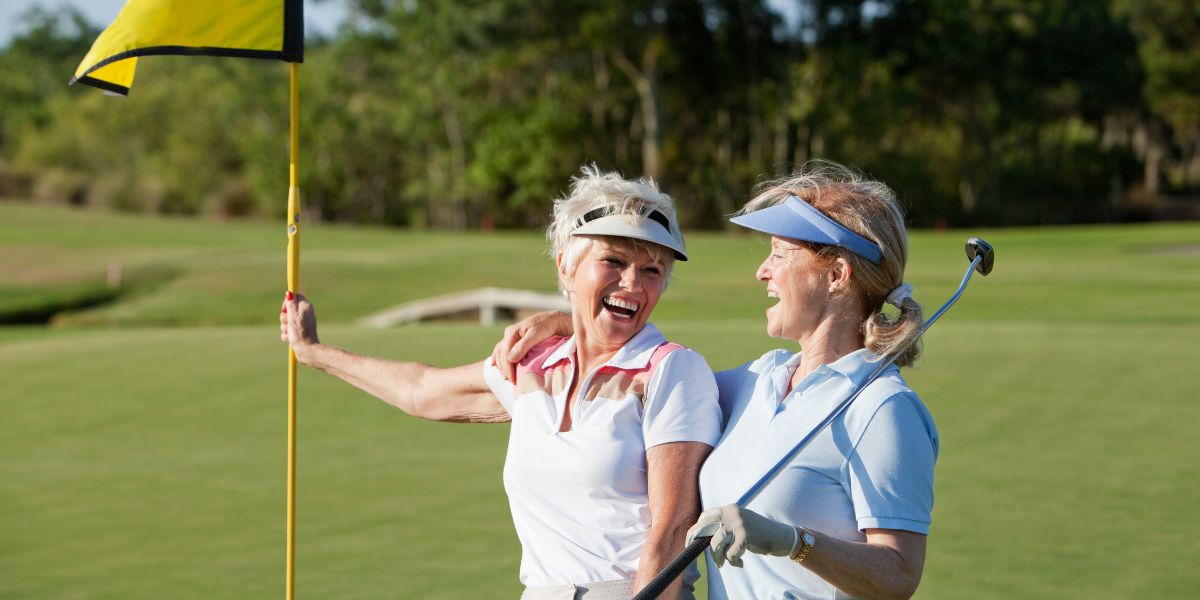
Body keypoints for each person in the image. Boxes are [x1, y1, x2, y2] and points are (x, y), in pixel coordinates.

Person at [493, 160, 938, 599]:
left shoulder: (882, 408)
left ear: (837, 275)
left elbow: (897, 575)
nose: (762, 271)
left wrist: (793, 542)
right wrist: (574, 321)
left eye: (780, 255)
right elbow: (647, 378)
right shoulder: (758, 381)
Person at [280, 166, 721, 600]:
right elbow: (422, 391)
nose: (632, 283)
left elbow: (675, 526)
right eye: (614, 260)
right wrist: (315, 353)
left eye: (652, 270)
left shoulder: (673, 371)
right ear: (566, 267)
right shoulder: (535, 363)